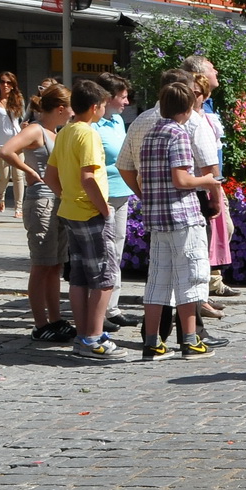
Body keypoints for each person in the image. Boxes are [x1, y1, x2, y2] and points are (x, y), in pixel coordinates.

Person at [136, 80, 216, 360]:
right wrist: (207, 181)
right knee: (189, 279)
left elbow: (142, 177)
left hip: (156, 217)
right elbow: (181, 179)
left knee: (157, 281)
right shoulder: (178, 134)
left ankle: (151, 342)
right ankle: (190, 341)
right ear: (188, 107)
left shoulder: (150, 135)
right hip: (182, 216)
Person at [44, 80, 121, 358]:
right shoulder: (88, 134)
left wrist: (67, 196)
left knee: (79, 277)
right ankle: (93, 337)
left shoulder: (64, 131)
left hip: (70, 211)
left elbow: (50, 176)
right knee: (104, 277)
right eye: (102, 105)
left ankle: (82, 335)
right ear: (94, 107)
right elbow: (88, 178)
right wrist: (104, 209)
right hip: (90, 212)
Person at [0, 84, 75, 341]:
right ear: (60, 108)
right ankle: (40, 324)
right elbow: (6, 150)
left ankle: (55, 319)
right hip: (41, 202)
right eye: (70, 108)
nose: (73, 113)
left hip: (58, 201)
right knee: (42, 264)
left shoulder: (56, 132)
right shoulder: (35, 129)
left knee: (55, 265)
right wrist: (29, 171)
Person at [94, 74, 136, 330]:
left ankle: (112, 307)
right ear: (108, 98)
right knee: (103, 252)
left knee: (116, 250)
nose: (126, 102)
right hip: (103, 194)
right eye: (122, 97)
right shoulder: (93, 125)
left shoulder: (118, 121)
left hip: (122, 192)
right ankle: (99, 311)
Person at [0, 72, 26, 215]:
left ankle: (18, 208)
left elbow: (23, 119)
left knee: (18, 176)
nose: (5, 85)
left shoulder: (18, 100)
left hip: (17, 143)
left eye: (9, 82)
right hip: (1, 143)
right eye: (2, 82)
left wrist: (25, 129)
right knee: (3, 176)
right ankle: (0, 198)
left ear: (13, 85)